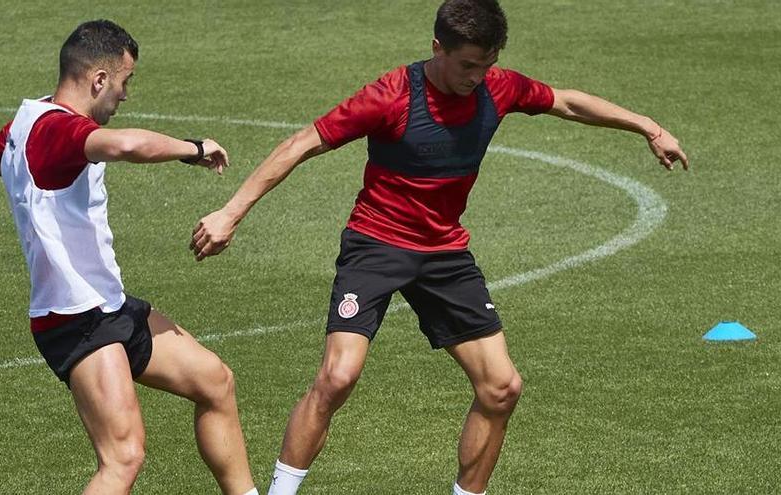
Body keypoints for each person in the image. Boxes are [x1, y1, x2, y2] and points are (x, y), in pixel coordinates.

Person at [191, 0, 689, 493]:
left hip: (444, 253)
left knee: (501, 388)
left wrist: (649, 127)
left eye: (487, 65)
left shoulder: (499, 87)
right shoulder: (391, 95)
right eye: (468, 65)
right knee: (338, 377)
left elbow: (567, 101)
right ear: (437, 48)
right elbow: (302, 143)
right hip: (376, 244)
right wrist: (230, 212)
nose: (477, 76)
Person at [0, 20, 258, 495]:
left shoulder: (27, 122)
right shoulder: (58, 131)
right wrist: (194, 147)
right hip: (75, 318)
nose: (124, 96)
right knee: (122, 458)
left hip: (108, 305)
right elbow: (126, 144)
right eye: (124, 83)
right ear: (99, 79)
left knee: (215, 381)